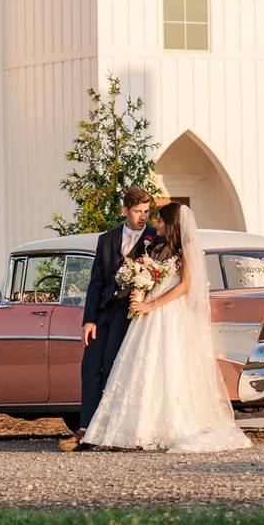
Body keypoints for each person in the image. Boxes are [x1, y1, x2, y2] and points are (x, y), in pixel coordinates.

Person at [80, 202, 252, 453]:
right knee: (143, 367)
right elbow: (149, 273)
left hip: (169, 311)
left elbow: (184, 286)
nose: (155, 224)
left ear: (171, 224)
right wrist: (141, 290)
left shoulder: (188, 247)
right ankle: (136, 427)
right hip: (150, 311)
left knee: (168, 366)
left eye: (159, 220)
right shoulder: (159, 246)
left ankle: (169, 426)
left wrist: (153, 305)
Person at [58, 188, 157, 452]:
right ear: (125, 210)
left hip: (130, 314)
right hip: (102, 313)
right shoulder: (106, 239)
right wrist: (88, 319)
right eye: (137, 211)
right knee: (90, 366)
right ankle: (86, 427)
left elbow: (160, 276)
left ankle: (107, 428)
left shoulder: (154, 239)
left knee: (114, 368)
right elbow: (95, 282)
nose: (142, 216)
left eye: (146, 211)